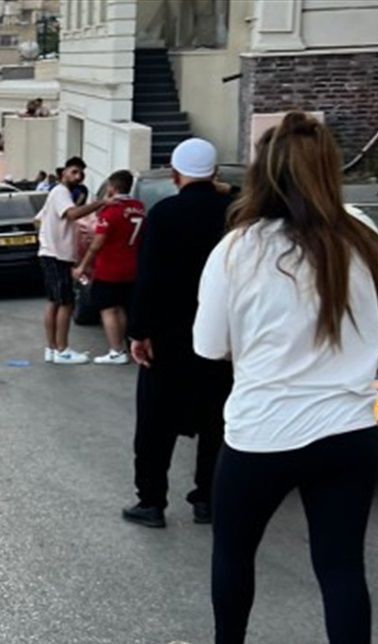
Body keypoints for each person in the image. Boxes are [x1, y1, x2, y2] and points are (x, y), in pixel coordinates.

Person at [194, 113, 378, 644]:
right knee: (342, 568)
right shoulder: (364, 239)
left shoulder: (238, 249)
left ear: (263, 174)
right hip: (348, 431)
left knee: (234, 556)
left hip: (262, 432)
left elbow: (208, 345)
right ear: (330, 169)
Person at [123, 137, 233, 529]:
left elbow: (148, 276)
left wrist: (139, 331)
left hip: (167, 336)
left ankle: (151, 501)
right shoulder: (234, 213)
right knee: (217, 421)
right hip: (221, 336)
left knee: (155, 423)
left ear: (174, 174)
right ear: (214, 172)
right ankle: (208, 498)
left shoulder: (164, 214)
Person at [35, 156, 107, 364]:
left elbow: (37, 220)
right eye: (74, 172)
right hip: (56, 255)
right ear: (63, 172)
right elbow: (73, 214)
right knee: (66, 303)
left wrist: (49, 236)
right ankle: (62, 349)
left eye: (81, 173)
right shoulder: (60, 192)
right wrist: (101, 202)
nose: (78, 176)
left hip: (53, 253)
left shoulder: (58, 194)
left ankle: (52, 348)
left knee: (54, 302)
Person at [73, 170, 146, 365]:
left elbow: (97, 243)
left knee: (108, 309)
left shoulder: (111, 211)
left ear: (112, 187)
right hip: (132, 265)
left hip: (110, 267)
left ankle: (116, 350)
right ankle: (122, 346)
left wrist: (82, 265)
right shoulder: (139, 207)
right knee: (121, 307)